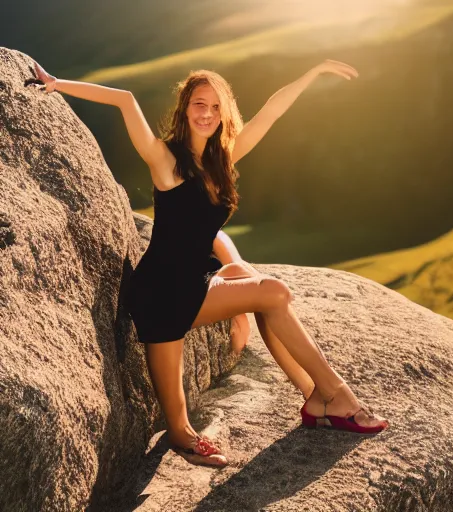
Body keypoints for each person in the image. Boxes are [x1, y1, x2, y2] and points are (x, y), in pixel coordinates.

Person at [32, 58, 389, 468]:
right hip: (161, 295)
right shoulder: (166, 160)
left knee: (267, 290)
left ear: (225, 114)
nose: (208, 114)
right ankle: (326, 399)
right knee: (179, 428)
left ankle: (324, 396)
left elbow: (270, 113)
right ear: (185, 108)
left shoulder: (223, 159)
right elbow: (126, 100)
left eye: (217, 107)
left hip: (196, 283)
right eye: (200, 104)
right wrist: (58, 84)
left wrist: (310, 75)